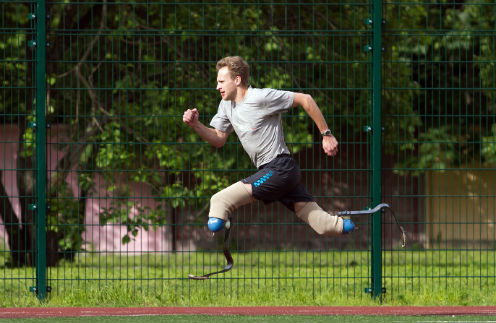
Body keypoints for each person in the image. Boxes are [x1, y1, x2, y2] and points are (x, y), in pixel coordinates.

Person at [182, 56, 354, 236]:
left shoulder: (260, 97)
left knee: (220, 201)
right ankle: (345, 223)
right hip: (274, 172)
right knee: (324, 225)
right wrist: (196, 125)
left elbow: (306, 99)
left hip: (280, 168)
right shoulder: (226, 105)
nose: (217, 87)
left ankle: (223, 226)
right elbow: (218, 139)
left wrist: (326, 134)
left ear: (237, 80)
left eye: (221, 81)